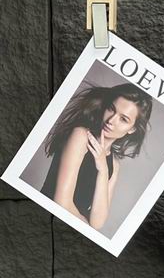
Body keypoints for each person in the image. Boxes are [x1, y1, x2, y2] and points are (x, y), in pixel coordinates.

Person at [40, 82, 152, 230]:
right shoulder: (81, 136)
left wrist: (103, 170)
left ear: (132, 129)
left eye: (123, 119)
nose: (111, 121)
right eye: (111, 109)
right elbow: (61, 202)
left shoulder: (114, 165)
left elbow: (97, 222)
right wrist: (87, 229)